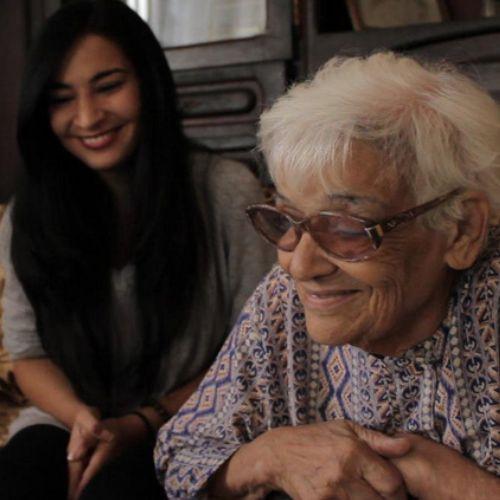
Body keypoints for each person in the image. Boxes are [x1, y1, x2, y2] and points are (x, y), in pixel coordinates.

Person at [155, 51, 500, 499]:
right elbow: (180, 450)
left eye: (346, 228)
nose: (299, 266)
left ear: (461, 230)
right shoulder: (285, 302)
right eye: (287, 220)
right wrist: (269, 456)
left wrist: (453, 484)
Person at [0, 1, 274, 499]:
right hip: (70, 417)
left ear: (147, 81)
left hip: (189, 422)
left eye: (108, 86)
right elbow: (29, 356)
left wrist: (144, 421)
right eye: (62, 98)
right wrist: (82, 419)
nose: (87, 117)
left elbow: (255, 356)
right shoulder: (29, 214)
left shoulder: (225, 193)